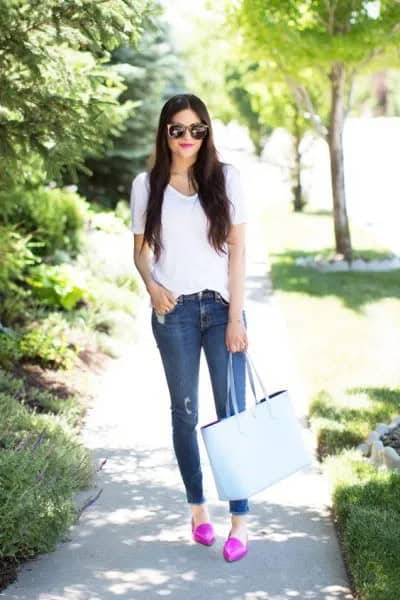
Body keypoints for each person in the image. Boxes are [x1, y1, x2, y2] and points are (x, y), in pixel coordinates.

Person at [130, 93, 249, 562]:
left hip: (221, 309)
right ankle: (198, 509)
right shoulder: (147, 185)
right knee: (184, 412)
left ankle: (239, 520)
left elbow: (239, 251)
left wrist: (236, 316)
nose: (187, 138)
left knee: (232, 413)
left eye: (196, 129)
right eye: (177, 129)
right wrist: (151, 286)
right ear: (165, 132)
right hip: (173, 311)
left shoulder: (227, 178)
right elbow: (140, 250)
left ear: (207, 131)